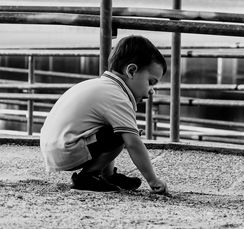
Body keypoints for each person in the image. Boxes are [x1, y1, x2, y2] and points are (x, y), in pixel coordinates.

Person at [40, 35, 168, 194]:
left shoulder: (102, 86)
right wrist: (152, 180)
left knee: (116, 130)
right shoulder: (117, 97)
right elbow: (133, 143)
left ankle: (106, 176)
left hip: (56, 148)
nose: (152, 90)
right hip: (67, 150)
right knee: (123, 134)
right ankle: (88, 177)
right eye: (151, 82)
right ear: (131, 71)